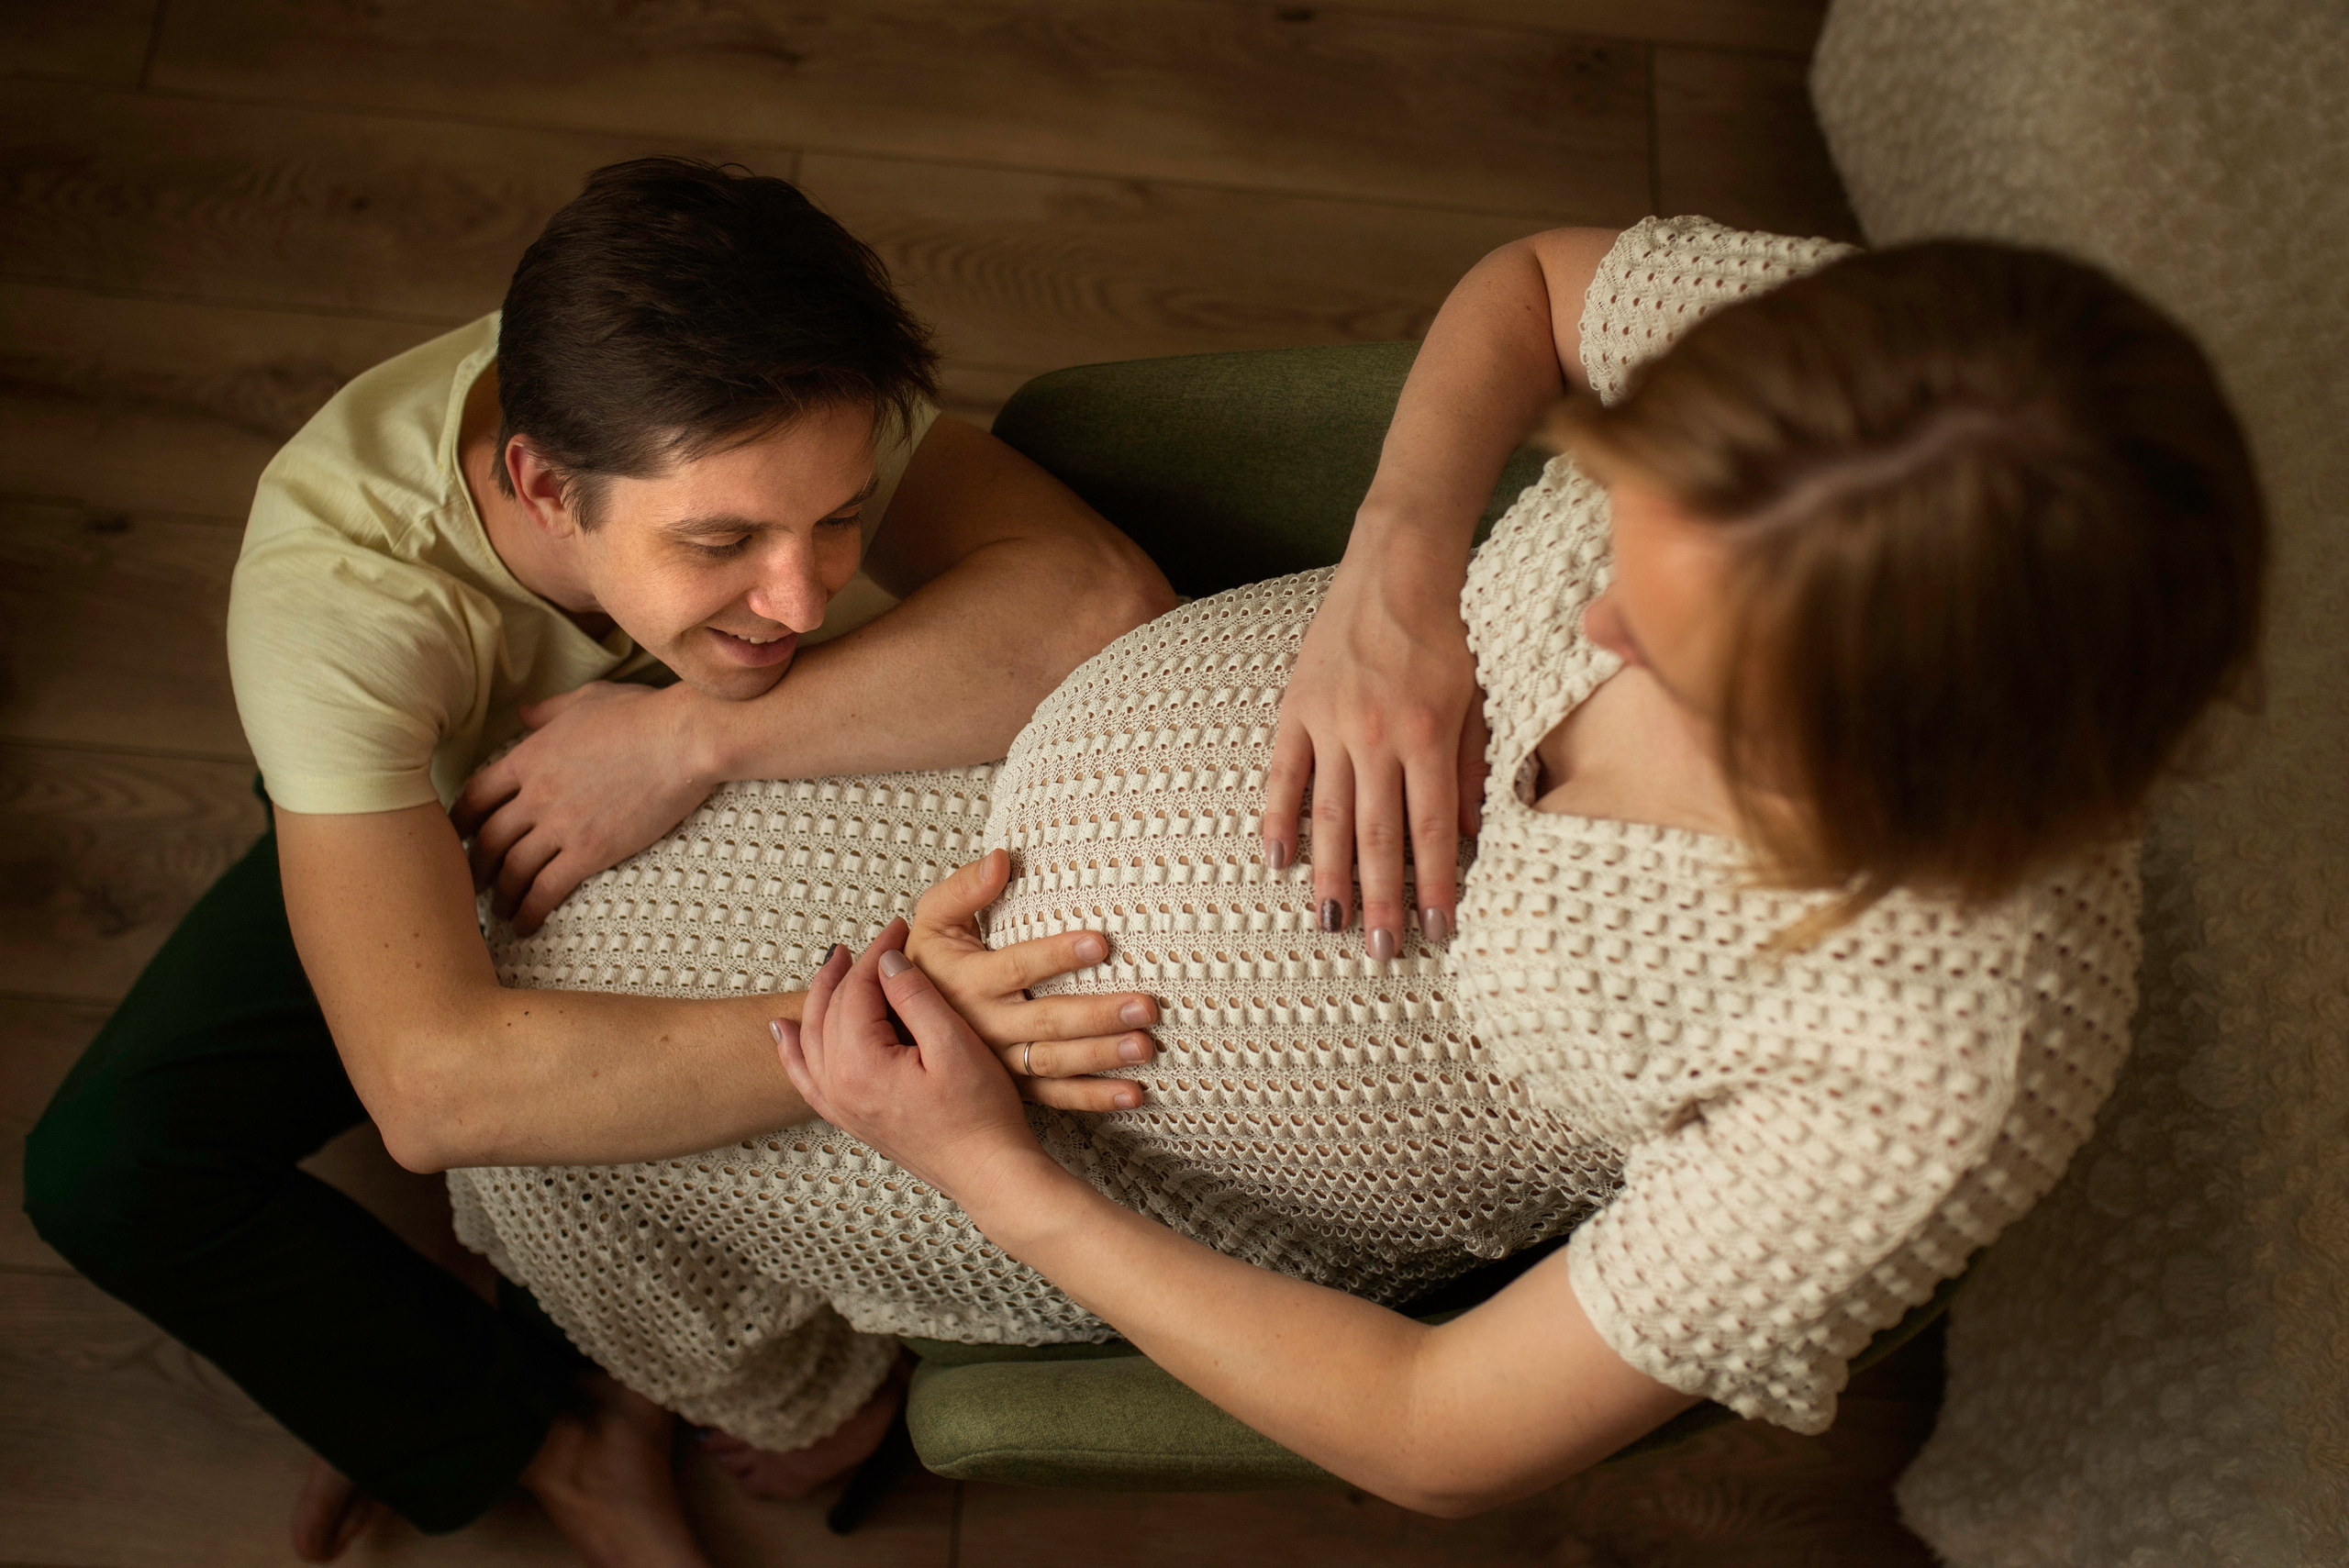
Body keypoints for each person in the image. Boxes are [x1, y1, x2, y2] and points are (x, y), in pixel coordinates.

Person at [455, 214, 2263, 1545]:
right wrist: (1396, 578)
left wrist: (995, 1176)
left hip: (1101, 1133)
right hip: (1017, 768)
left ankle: (809, 1408)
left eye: (1678, 662)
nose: (1594, 619)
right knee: (529, 958)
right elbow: (1545, 288)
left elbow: (1434, 1436)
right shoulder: (1886, 399)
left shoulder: (1931, 1069)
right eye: (1621, 524)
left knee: (539, 1145)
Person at [20, 156, 1174, 1563]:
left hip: (683, 775)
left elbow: (1100, 599)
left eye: (840, 518)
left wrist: (688, 738)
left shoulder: (773, 371)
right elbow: (433, 1085)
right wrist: (873, 1036)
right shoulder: (343, 602)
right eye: (723, 543)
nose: (804, 598)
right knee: (105, 1173)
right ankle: (541, 1429)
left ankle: (596, 1352)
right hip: (420, 826)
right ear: (542, 484)